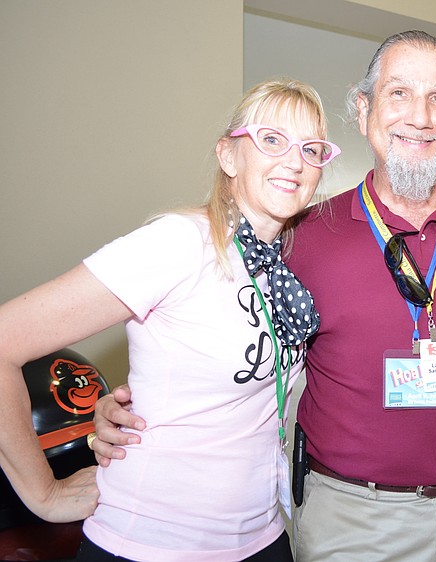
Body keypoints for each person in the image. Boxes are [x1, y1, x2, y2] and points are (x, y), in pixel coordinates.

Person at [91, 30, 436, 562]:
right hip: (349, 521)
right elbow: (223, 342)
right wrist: (131, 402)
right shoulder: (300, 235)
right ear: (363, 108)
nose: (420, 116)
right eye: (399, 93)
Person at [0, 78, 340, 561]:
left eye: (312, 149)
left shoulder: (287, 268)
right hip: (152, 543)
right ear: (229, 155)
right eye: (271, 139)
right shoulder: (179, 243)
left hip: (261, 538)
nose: (294, 161)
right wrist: (44, 495)